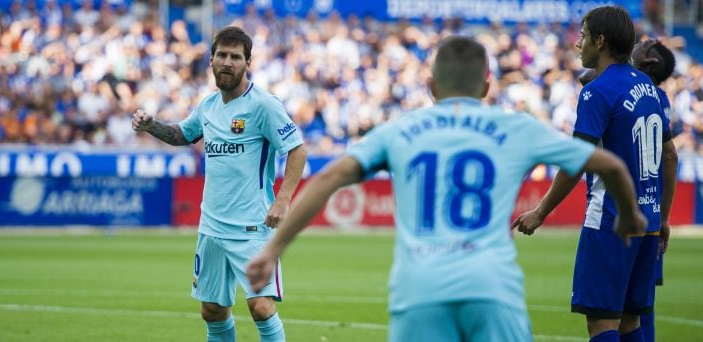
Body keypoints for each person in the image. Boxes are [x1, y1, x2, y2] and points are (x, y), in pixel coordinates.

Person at [247, 36, 647, 342]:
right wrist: (630, 214)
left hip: (419, 291)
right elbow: (609, 164)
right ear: (487, 87)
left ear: (431, 86)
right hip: (493, 289)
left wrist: (272, 250)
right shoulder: (517, 129)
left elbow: (330, 178)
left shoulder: (401, 130)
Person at [512, 6, 679, 342]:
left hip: (611, 222)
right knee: (631, 321)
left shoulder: (596, 91)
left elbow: (577, 159)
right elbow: (669, 153)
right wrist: (662, 217)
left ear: (600, 41)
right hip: (647, 220)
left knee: (602, 324)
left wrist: (541, 211)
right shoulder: (648, 87)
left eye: (584, 36)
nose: (578, 44)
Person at [132, 26, 307, 342]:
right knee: (212, 310)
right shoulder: (208, 106)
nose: (227, 62)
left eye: (235, 57)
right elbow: (182, 135)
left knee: (262, 307)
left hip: (253, 227)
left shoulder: (264, 105)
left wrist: (282, 201)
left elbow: (297, 149)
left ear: (247, 62)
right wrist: (150, 126)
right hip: (211, 228)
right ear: (211, 60)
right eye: (222, 55)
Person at [631, 38, 678, 342]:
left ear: (650, 63)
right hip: (649, 207)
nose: (636, 44)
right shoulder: (659, 97)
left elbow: (671, 156)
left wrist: (664, 218)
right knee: (641, 302)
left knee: (636, 306)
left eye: (644, 45)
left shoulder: (646, 97)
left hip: (635, 208)